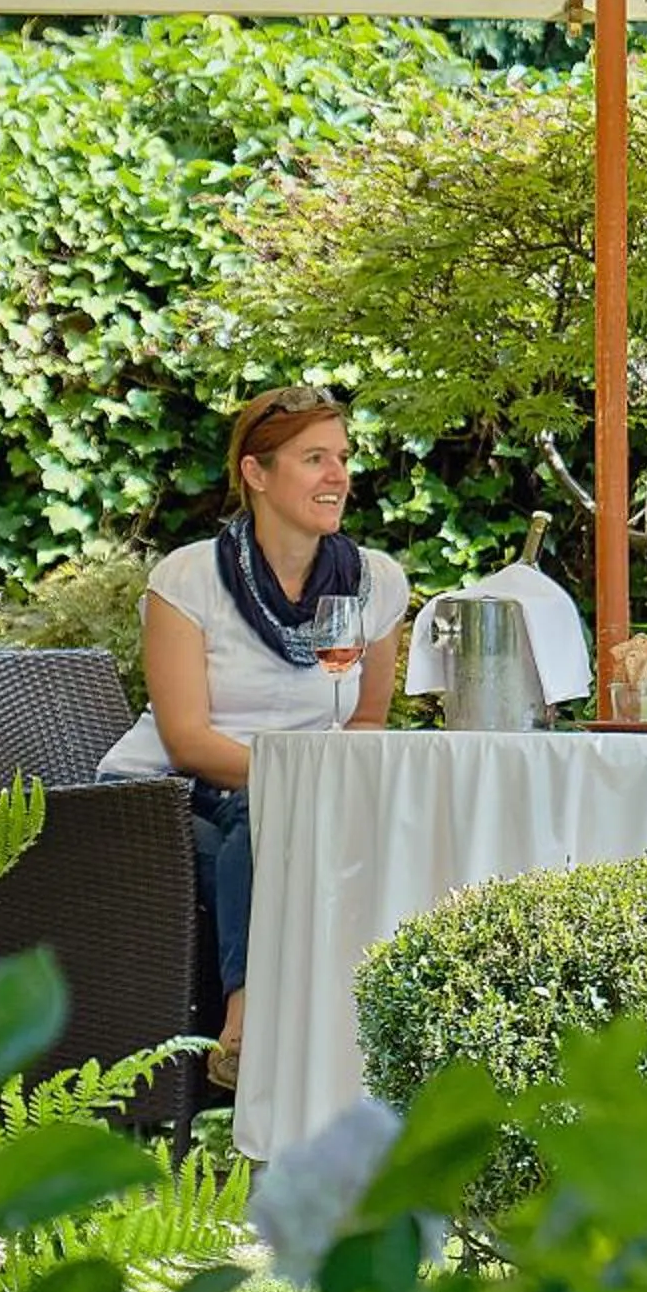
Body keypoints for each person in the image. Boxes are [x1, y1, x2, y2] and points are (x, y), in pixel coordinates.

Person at [95, 385, 410, 1087]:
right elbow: (187, 740)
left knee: (329, 837)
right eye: (315, 459)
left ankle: (339, 1058)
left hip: (290, 799)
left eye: (343, 458)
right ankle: (247, 1025)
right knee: (266, 827)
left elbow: (366, 722)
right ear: (256, 473)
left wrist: (314, 789)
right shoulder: (189, 578)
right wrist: (295, 784)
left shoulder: (375, 583)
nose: (338, 476)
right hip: (160, 799)